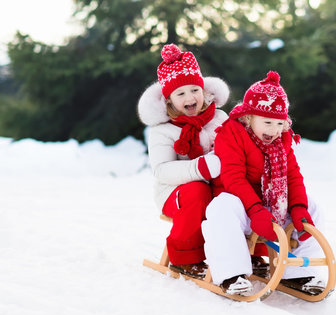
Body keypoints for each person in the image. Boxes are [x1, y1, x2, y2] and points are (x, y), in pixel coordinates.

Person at [202, 71, 325, 295]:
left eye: (279, 123)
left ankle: (297, 273)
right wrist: (254, 209)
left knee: (313, 207)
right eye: (267, 122)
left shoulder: (283, 141)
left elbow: (293, 176)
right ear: (249, 117)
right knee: (221, 207)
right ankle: (232, 274)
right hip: (243, 205)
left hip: (271, 207)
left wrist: (299, 208)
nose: (274, 130)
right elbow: (233, 177)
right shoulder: (232, 133)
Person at [138, 44, 229, 279]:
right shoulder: (163, 131)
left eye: (194, 90)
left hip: (216, 187)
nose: (190, 98)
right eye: (180, 94)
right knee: (197, 191)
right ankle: (186, 258)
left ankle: (247, 251)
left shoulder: (219, 118)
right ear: (168, 100)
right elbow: (162, 171)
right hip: (175, 194)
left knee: (240, 192)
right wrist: (200, 167)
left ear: (204, 90)